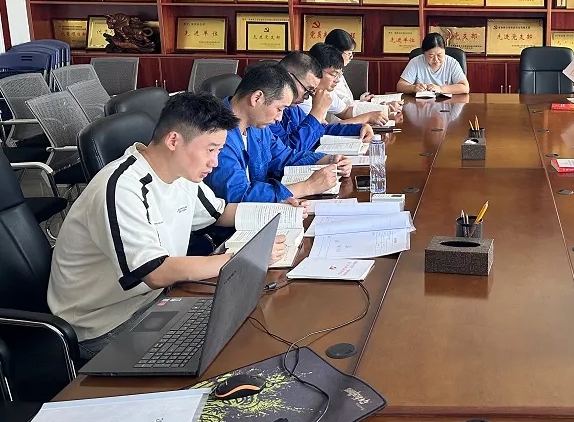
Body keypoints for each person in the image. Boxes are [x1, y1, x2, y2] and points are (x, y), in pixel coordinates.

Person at [47, 93, 287, 359]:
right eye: (210, 150)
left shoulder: (183, 174)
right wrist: (243, 259)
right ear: (174, 140)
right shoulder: (120, 188)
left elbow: (219, 214)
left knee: (252, 323)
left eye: (219, 151)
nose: (215, 162)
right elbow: (155, 273)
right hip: (105, 324)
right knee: (232, 349)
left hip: (157, 299)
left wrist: (280, 211)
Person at [204, 63, 351, 204]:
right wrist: (307, 187)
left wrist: (328, 159)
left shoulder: (256, 126)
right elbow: (238, 195)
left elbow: (283, 156)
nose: (279, 118)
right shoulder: (217, 135)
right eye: (279, 109)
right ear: (257, 98)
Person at [270, 51, 373, 151]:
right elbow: (290, 151)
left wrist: (358, 129)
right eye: (307, 89)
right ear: (289, 78)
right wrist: (317, 112)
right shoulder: (269, 109)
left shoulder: (293, 108)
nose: (307, 97)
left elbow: (321, 130)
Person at [322, 29, 394, 125]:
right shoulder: (324, 84)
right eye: (349, 53)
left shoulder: (334, 74)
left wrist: (374, 106)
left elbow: (346, 109)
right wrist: (381, 108)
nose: (351, 57)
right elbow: (326, 126)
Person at [396, 32, 470, 95]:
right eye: (431, 56)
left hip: (447, 103)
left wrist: (441, 89)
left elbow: (465, 87)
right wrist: (413, 88)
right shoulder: (415, 62)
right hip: (421, 104)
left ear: (444, 51)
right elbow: (400, 86)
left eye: (439, 55)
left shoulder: (452, 63)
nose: (436, 60)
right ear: (424, 53)